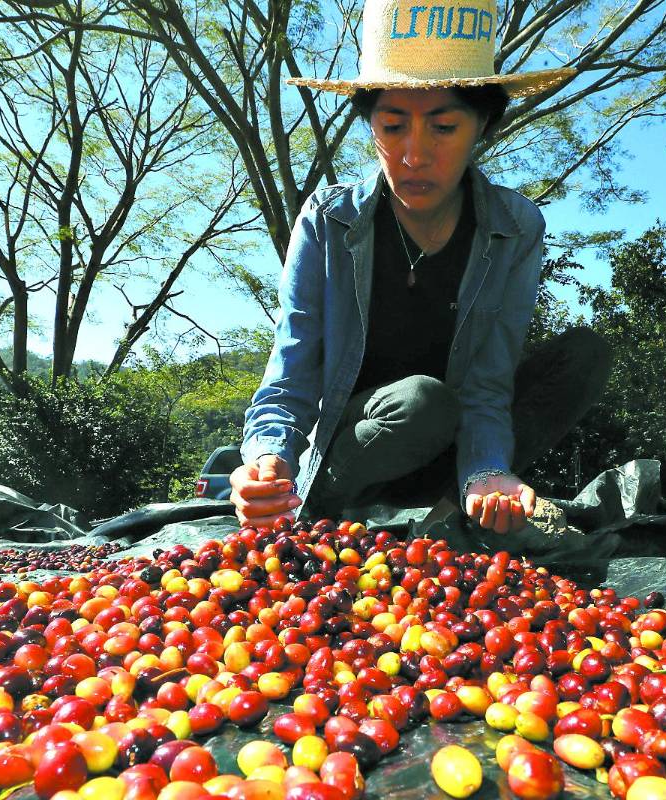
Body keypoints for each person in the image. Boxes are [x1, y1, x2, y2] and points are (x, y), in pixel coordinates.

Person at [231, 0, 611, 534]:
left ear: (482, 125)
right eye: (391, 126)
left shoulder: (515, 226)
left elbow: (488, 381)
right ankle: (325, 507)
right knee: (421, 401)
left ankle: (464, 507)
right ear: (370, 126)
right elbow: (291, 373)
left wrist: (484, 468)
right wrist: (269, 462)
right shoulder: (328, 221)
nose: (413, 154)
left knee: (581, 356)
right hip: (360, 449)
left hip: (453, 451)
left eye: (443, 127)